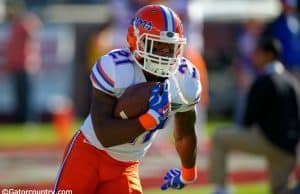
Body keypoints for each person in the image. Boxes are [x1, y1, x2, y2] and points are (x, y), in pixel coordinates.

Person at [54, 4, 201, 194]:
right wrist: (150, 119)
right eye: (157, 45)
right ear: (136, 41)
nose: (165, 54)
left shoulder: (184, 80)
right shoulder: (116, 67)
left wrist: (188, 173)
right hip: (88, 153)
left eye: (171, 48)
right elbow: (104, 135)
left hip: (125, 166)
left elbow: (185, 133)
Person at [209, 37, 300, 194]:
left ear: (268, 55)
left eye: (258, 53)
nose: (254, 57)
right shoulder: (292, 82)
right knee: (280, 190)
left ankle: (221, 188)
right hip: (288, 149)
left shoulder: (262, 81)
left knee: (219, 137)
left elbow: (247, 121)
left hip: (266, 140)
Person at [5, 11, 42, 123]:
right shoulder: (14, 28)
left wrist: (27, 21)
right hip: (17, 67)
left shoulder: (23, 26)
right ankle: (21, 120)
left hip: (26, 66)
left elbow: (35, 27)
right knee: (20, 96)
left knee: (27, 96)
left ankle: (29, 120)